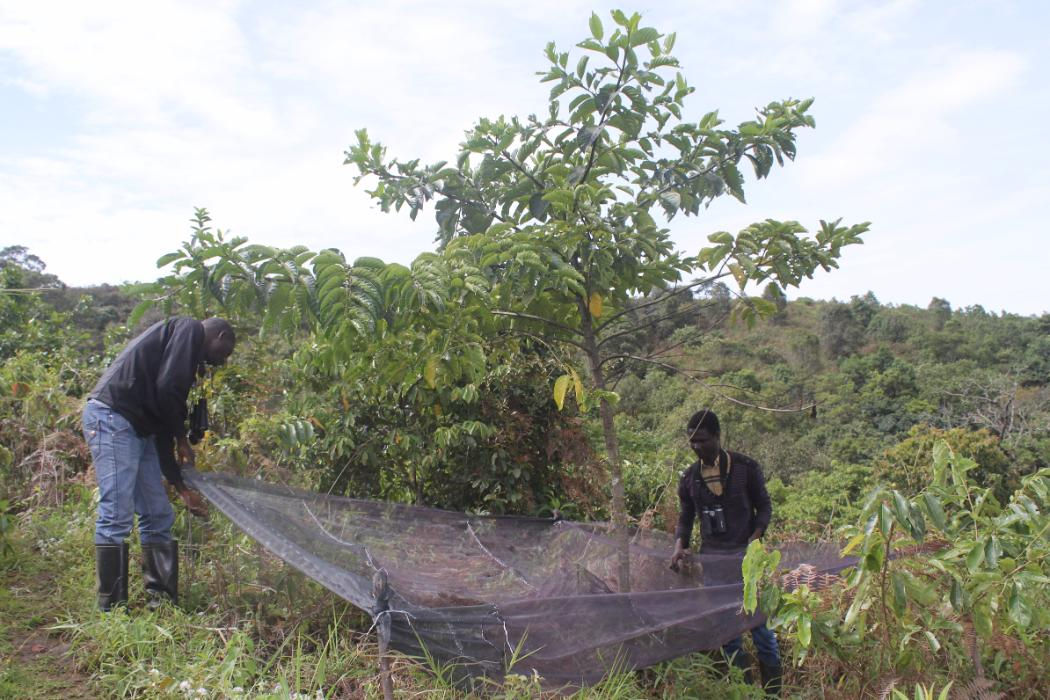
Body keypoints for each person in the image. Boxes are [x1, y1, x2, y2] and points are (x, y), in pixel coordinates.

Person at [82, 316, 235, 611]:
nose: (220, 361)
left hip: (140, 428)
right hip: (113, 418)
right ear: (220, 335)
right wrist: (182, 438)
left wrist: (181, 488)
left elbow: (164, 423)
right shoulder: (190, 328)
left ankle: (161, 602)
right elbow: (167, 391)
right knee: (117, 513)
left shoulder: (178, 362)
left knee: (158, 513)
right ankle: (111, 610)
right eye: (223, 352)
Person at [669, 408, 783, 696]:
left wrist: (754, 541)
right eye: (692, 442)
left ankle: (773, 694)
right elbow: (685, 518)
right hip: (715, 566)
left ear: (718, 437)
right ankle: (745, 692)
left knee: (762, 633)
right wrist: (679, 547)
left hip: (749, 566)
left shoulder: (745, 468)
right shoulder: (690, 478)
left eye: (703, 440)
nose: (697, 447)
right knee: (729, 635)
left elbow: (764, 508)